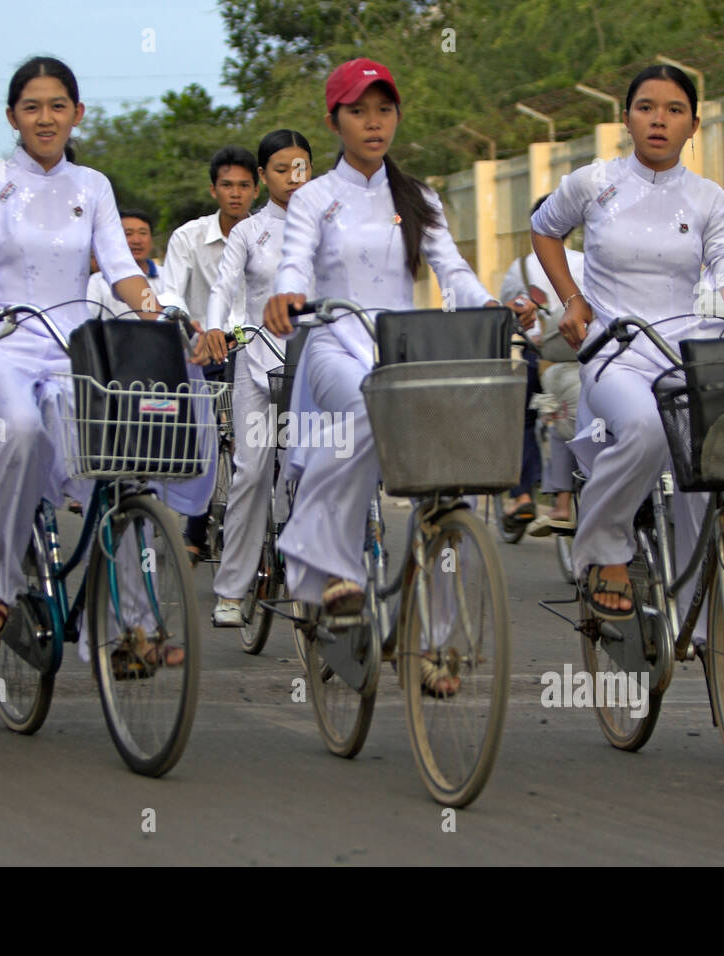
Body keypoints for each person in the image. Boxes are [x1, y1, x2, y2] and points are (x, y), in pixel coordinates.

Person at [532, 64, 724, 730]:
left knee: (722, 490)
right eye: (645, 107)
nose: (659, 119)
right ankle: (603, 549)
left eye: (674, 109)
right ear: (626, 117)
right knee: (647, 432)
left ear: (694, 121)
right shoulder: (595, 183)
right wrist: (573, 301)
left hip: (684, 351)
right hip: (615, 349)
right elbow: (545, 229)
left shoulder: (709, 199)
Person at [263, 58, 525, 695]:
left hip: (402, 350)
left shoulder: (418, 198)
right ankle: (328, 566)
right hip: (331, 342)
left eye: (383, 109)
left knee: (445, 488)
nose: (373, 121)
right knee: (361, 410)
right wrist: (288, 294)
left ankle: (434, 643)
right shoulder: (315, 199)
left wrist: (484, 300)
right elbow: (293, 263)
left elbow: (451, 271)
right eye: (359, 110)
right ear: (336, 121)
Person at [0, 56, 185, 639]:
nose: (45, 119)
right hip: (2, 341)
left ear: (78, 114)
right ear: (12, 117)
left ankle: (133, 628)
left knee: (122, 465)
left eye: (57, 106)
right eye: (32, 107)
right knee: (18, 431)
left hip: (74, 351)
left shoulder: (91, 185)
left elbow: (121, 265)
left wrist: (156, 309)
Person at [200, 129, 313, 626]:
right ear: (264, 175)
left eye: (302, 167)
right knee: (251, 472)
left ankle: (315, 571)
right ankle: (231, 589)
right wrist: (216, 328)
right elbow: (223, 289)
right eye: (283, 168)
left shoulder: (327, 223)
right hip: (258, 360)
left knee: (312, 468)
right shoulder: (248, 231)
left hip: (313, 361)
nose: (294, 177)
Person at [161, 145, 254, 562]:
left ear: (257, 189)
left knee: (259, 445)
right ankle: (194, 526)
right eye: (227, 185)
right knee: (204, 439)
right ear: (213, 189)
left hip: (255, 346)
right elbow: (168, 291)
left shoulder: (271, 235)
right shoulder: (189, 237)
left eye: (244, 185)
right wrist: (186, 322)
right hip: (201, 347)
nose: (236, 193)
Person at [499, 194, 585, 539]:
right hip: (589, 351)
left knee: (524, 419)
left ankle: (522, 495)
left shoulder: (521, 267)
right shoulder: (586, 261)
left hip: (542, 355)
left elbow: (508, 312)